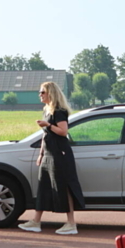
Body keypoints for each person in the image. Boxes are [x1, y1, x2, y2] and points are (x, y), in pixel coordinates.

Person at [19, 81, 85, 235]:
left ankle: (71, 223)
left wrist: (48, 125)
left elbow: (63, 131)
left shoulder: (59, 111)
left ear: (50, 93)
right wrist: (41, 154)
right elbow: (45, 135)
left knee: (64, 186)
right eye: (40, 92)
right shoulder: (47, 111)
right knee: (43, 186)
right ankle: (36, 221)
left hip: (60, 153)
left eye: (42, 92)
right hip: (49, 153)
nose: (40, 95)